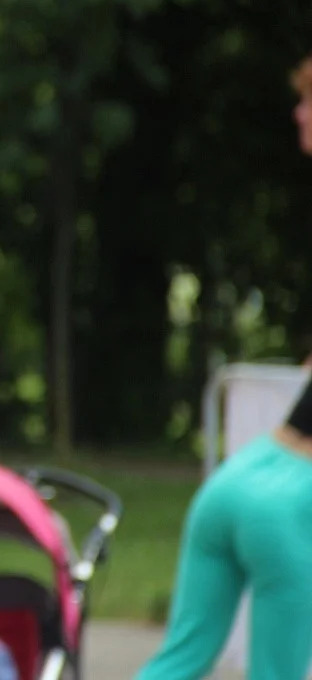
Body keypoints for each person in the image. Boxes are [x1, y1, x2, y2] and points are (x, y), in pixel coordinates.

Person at [135, 53, 312, 680]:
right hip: (294, 497)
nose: (298, 114)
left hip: (242, 476)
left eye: (309, 101)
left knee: (177, 662)